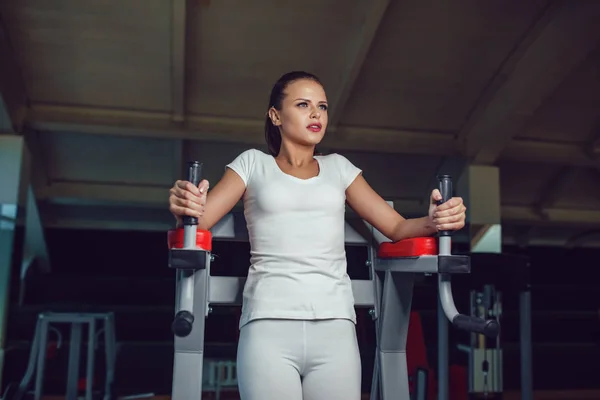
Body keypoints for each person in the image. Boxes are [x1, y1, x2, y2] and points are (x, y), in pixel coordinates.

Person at [168, 71, 466, 400]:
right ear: (275, 116)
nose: (316, 114)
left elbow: (396, 227)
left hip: (335, 325)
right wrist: (187, 203)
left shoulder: (339, 168)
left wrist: (437, 219)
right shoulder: (252, 164)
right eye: (303, 104)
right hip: (269, 323)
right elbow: (199, 219)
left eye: (322, 107)